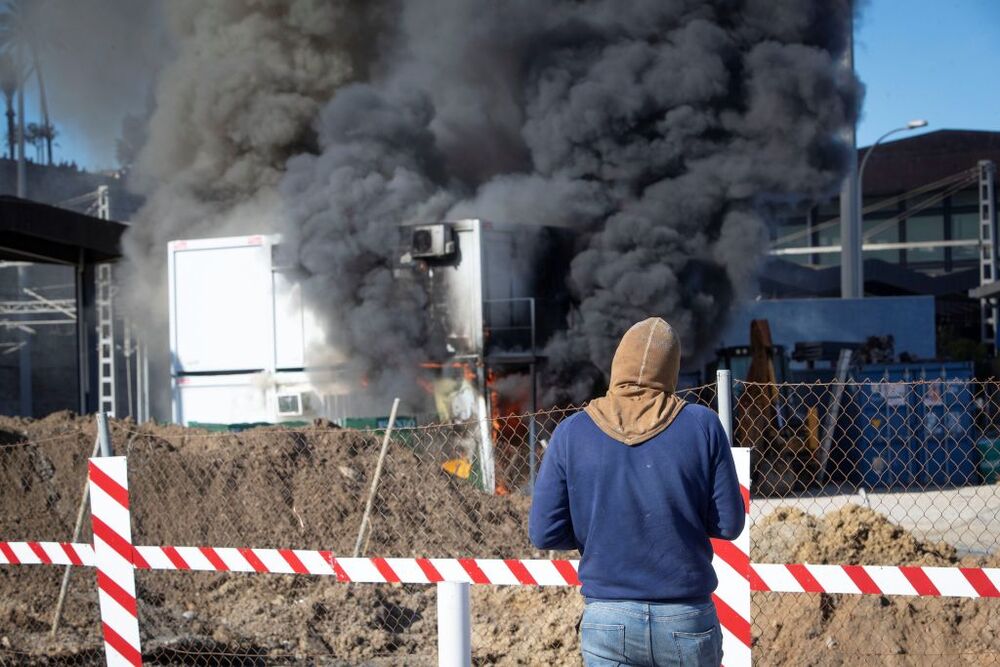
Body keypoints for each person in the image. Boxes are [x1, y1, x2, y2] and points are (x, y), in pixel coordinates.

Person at [529, 317, 745, 667]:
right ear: (672, 369)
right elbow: (729, 525)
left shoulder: (572, 431)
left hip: (608, 620)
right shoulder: (703, 425)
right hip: (685, 619)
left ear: (617, 365)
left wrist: (597, 530)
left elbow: (543, 532)